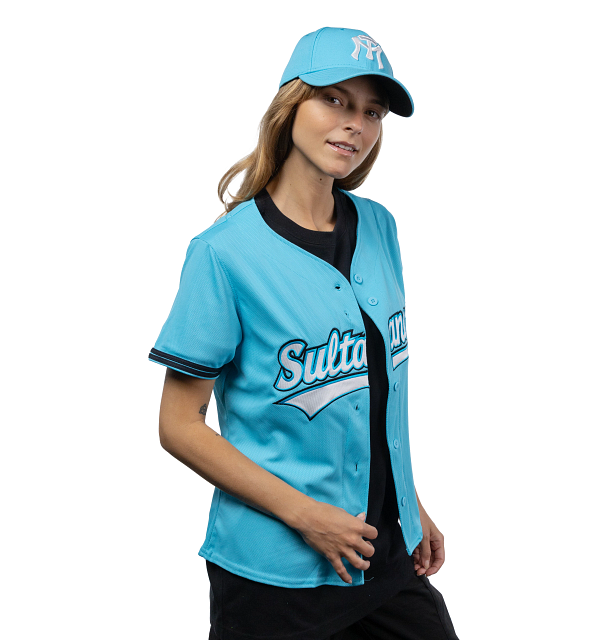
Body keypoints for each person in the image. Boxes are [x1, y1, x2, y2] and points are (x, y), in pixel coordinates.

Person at [149, 27, 459, 640]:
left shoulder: (380, 227)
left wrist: (409, 503)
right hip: (273, 578)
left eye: (372, 112)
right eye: (334, 100)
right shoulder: (224, 253)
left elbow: (375, 391)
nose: (355, 124)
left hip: (382, 555)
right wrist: (307, 516)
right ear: (290, 105)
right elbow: (178, 426)